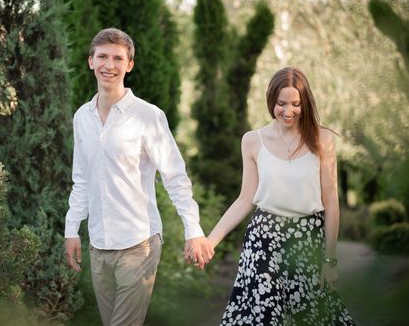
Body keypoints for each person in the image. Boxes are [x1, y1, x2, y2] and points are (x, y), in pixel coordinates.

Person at [64, 28, 214, 326]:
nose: (110, 65)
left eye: (118, 58)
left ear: (129, 65)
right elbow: (81, 179)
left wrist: (193, 229)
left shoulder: (148, 116)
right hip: (99, 244)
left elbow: (175, 176)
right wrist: (71, 229)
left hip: (139, 243)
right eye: (102, 57)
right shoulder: (82, 117)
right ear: (90, 62)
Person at [207, 67, 356, 325]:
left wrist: (330, 260)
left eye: (296, 104)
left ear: (305, 103)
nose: (288, 111)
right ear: (271, 100)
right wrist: (211, 241)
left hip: (307, 241)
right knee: (264, 318)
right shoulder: (252, 141)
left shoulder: (323, 140)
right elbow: (245, 199)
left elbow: (331, 203)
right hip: (263, 242)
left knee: (313, 316)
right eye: (281, 103)